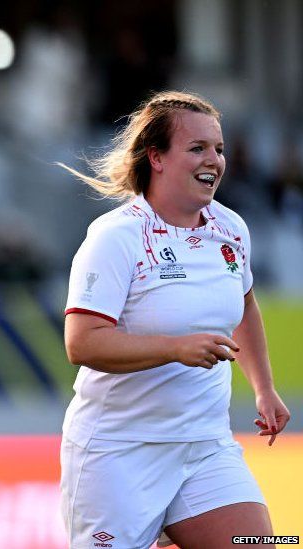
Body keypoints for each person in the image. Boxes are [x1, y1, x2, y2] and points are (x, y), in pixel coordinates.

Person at [60, 91, 291, 549]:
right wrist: (175, 348)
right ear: (156, 158)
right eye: (197, 148)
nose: (215, 160)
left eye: (219, 149)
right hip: (120, 453)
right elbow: (81, 344)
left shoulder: (231, 229)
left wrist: (264, 389)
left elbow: (244, 306)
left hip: (205, 447)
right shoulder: (116, 237)